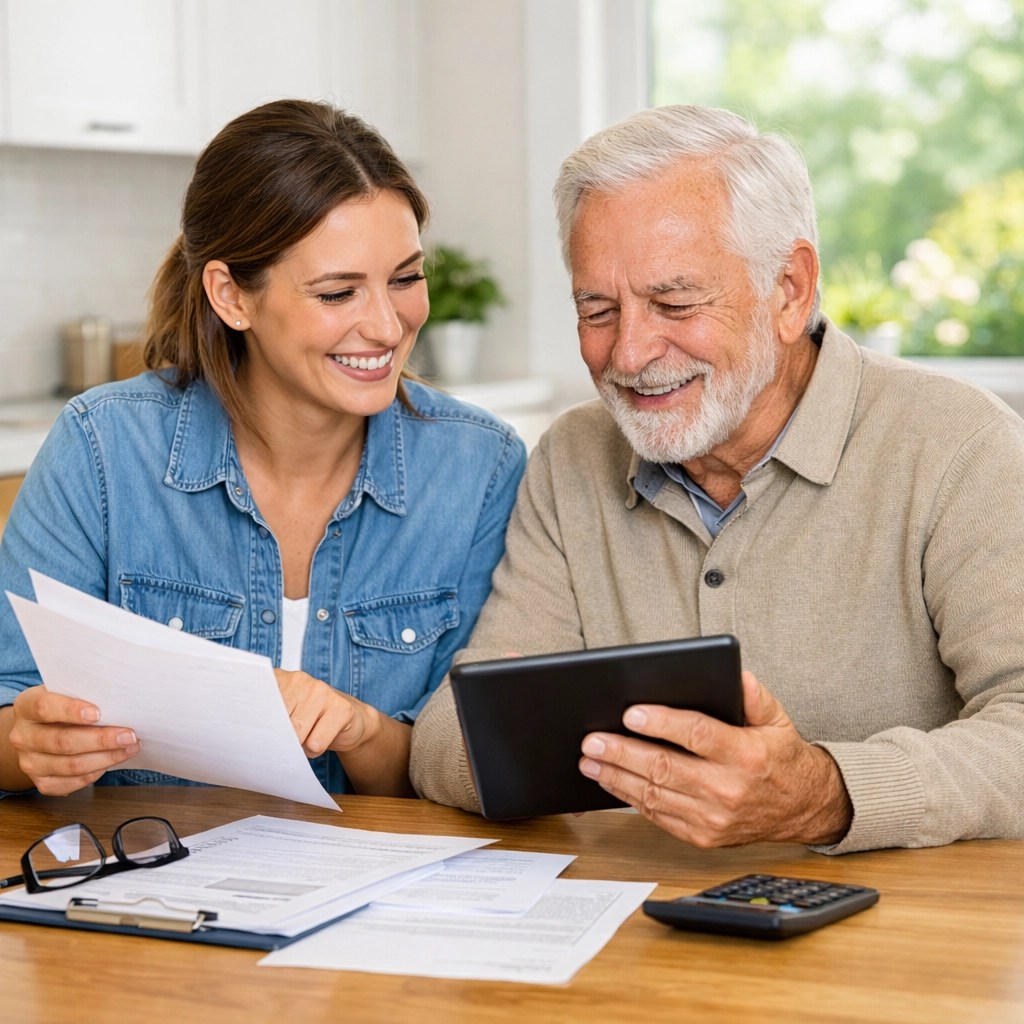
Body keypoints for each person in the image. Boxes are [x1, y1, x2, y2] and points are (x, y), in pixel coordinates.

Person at [409, 104, 1024, 854]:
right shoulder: (573, 456)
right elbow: (450, 731)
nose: (630, 353)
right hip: (638, 927)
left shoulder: (959, 444)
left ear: (790, 289)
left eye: (675, 302)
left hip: (908, 939)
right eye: (597, 309)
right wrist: (552, 754)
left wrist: (823, 795)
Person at [0, 99, 526, 800]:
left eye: (405, 278)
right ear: (231, 296)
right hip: (157, 887)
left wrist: (359, 729)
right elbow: (11, 707)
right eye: (338, 292)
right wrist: (29, 743)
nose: (387, 324)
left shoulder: (480, 469)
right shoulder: (102, 448)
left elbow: (469, 765)